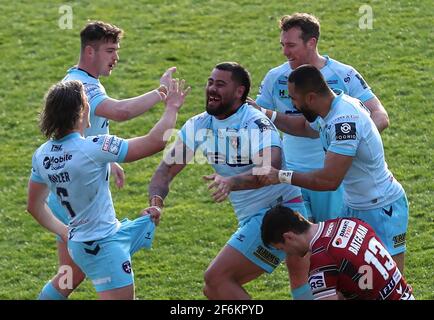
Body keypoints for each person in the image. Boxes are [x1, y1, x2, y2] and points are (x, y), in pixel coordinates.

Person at [148, 62, 313, 300]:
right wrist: (156, 202)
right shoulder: (199, 125)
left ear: (239, 91)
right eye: (211, 82)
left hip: (279, 214)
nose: (212, 89)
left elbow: (269, 170)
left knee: (216, 279)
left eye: (221, 84)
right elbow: (164, 171)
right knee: (215, 289)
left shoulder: (254, 123)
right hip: (254, 216)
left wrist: (231, 182)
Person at [40, 20, 177, 300]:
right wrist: (162, 94)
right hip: (81, 201)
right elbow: (121, 112)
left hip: (67, 189)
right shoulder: (82, 88)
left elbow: (89, 131)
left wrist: (107, 161)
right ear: (90, 52)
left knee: (69, 275)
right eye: (110, 50)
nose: (116, 57)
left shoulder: (80, 82)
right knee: (80, 270)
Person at [27, 79, 190, 299]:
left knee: (66, 280)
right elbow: (154, 141)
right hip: (102, 245)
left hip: (86, 240)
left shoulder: (41, 155)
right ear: (83, 111)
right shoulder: (94, 147)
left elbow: (34, 207)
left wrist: (65, 232)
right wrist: (172, 107)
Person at [256, 64, 408, 273]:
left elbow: (329, 180)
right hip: (354, 206)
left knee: (391, 282)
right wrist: (264, 113)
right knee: (354, 281)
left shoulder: (343, 121)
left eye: (294, 98)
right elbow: (302, 127)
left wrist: (280, 176)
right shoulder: (329, 108)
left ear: (310, 98)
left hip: (381, 208)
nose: (292, 104)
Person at [250, 13, 389, 223]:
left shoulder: (344, 74)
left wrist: (349, 141)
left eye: (291, 45)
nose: (285, 52)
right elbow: (261, 123)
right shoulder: (275, 77)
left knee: (330, 242)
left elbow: (380, 116)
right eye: (282, 45)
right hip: (290, 174)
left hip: (329, 177)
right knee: (298, 244)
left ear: (311, 42)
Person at [261, 205, 414, 300]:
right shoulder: (349, 222)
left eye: (282, 248)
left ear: (288, 237)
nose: (287, 254)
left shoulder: (321, 264)